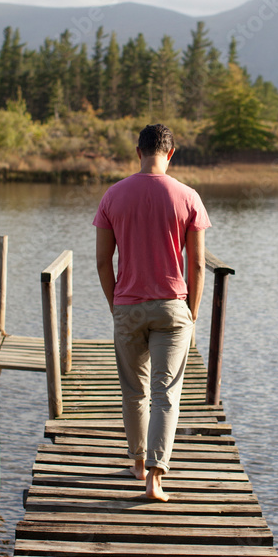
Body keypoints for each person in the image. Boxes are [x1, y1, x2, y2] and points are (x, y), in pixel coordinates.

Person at [93, 123, 211, 500]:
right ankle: (155, 480)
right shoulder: (188, 196)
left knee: (134, 392)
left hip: (128, 307)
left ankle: (138, 461)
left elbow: (101, 262)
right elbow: (195, 265)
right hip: (172, 307)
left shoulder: (113, 195)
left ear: (137, 151)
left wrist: (117, 305)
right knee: (165, 393)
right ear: (171, 153)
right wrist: (191, 312)